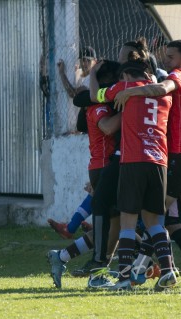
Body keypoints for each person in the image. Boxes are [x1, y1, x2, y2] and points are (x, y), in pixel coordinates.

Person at [114, 40, 181, 291]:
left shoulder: (178, 76)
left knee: (156, 216)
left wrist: (130, 91)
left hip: (177, 155)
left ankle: (138, 270)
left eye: (171, 57)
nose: (167, 61)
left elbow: (162, 87)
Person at [91, 53, 175, 291]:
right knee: (155, 223)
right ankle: (168, 271)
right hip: (159, 162)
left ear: (126, 75)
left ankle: (126, 278)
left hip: (133, 161)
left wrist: (93, 76)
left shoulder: (124, 86)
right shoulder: (164, 94)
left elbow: (94, 96)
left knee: (128, 222)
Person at [47, 60, 121, 289]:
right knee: (114, 228)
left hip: (104, 166)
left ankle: (62, 257)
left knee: (112, 227)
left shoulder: (99, 102)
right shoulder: (97, 105)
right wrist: (130, 111)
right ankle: (97, 274)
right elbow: (107, 127)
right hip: (104, 167)